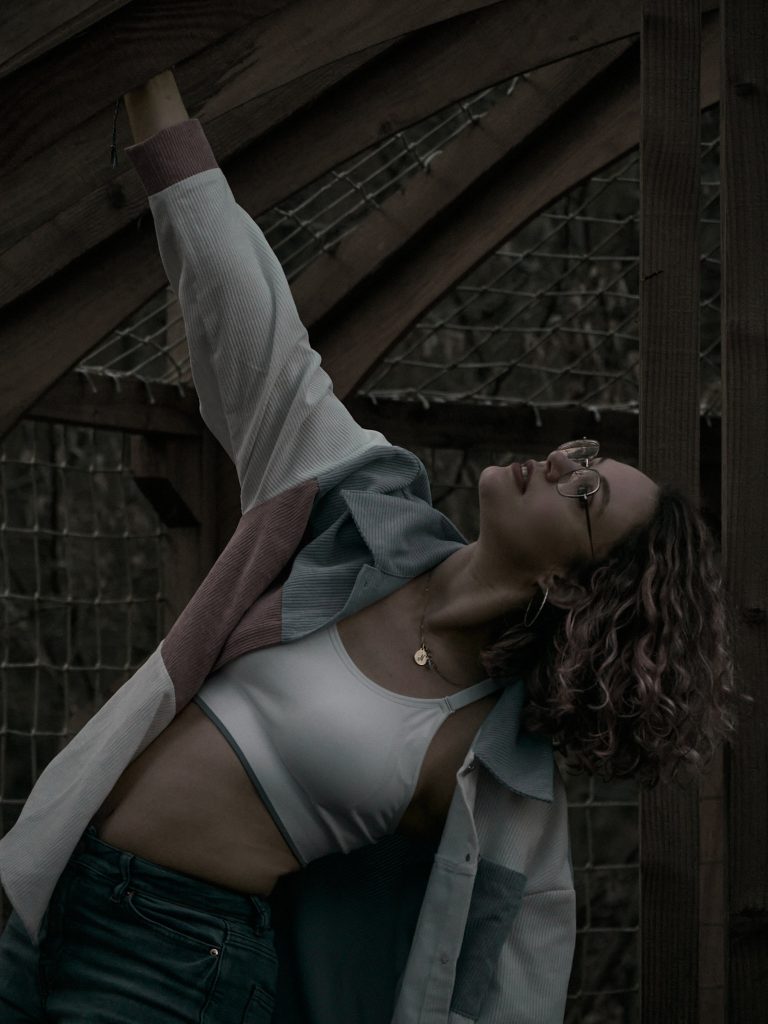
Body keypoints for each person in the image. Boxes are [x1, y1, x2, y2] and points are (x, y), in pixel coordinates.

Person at [0, 70, 738, 1024]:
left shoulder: (491, 762)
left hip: (180, 963)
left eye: (585, 494)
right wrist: (152, 94)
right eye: (585, 455)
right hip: (49, 889)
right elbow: (255, 333)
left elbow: (510, 976)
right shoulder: (360, 503)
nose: (562, 461)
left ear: (569, 582)